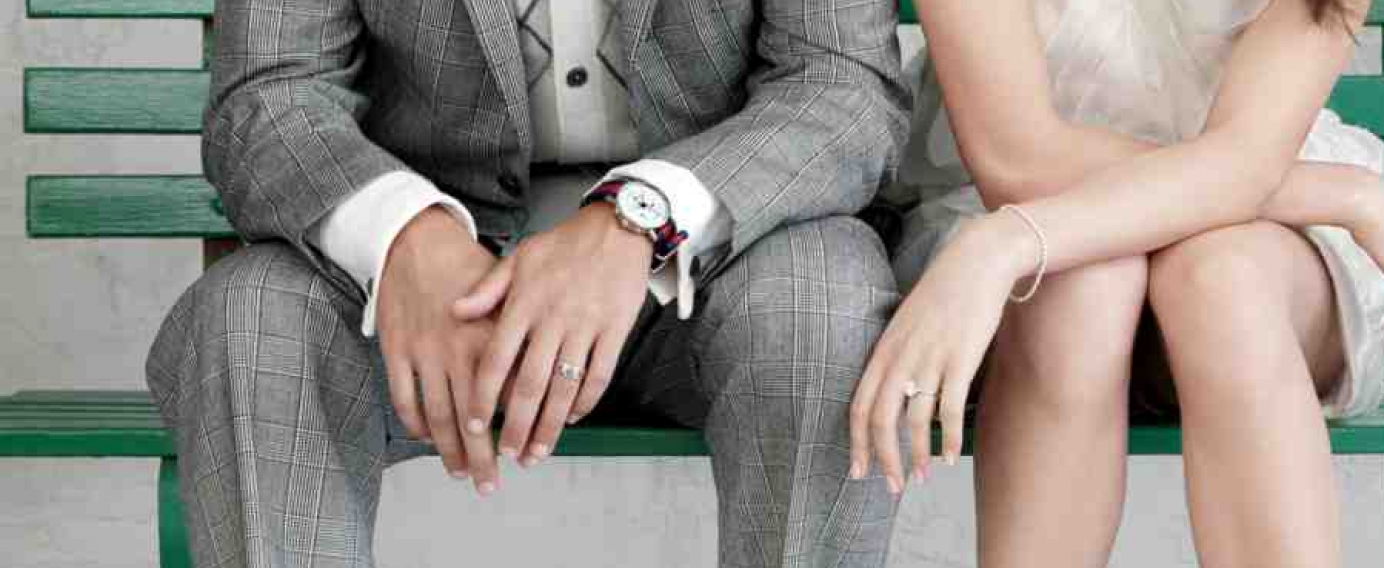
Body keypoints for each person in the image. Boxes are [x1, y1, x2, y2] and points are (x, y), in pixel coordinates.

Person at [144, 1, 912, 567]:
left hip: (709, 258)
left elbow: (840, 87)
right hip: (436, 282)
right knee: (254, 316)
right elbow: (269, 92)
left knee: (821, 302)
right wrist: (405, 233)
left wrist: (639, 218)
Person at [850, 0, 1384, 566]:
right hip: (1040, 235)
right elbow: (1016, 159)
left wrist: (1007, 242)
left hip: (1252, 238)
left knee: (1222, 281)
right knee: (1080, 284)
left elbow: (1246, 159)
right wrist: (1348, 196)